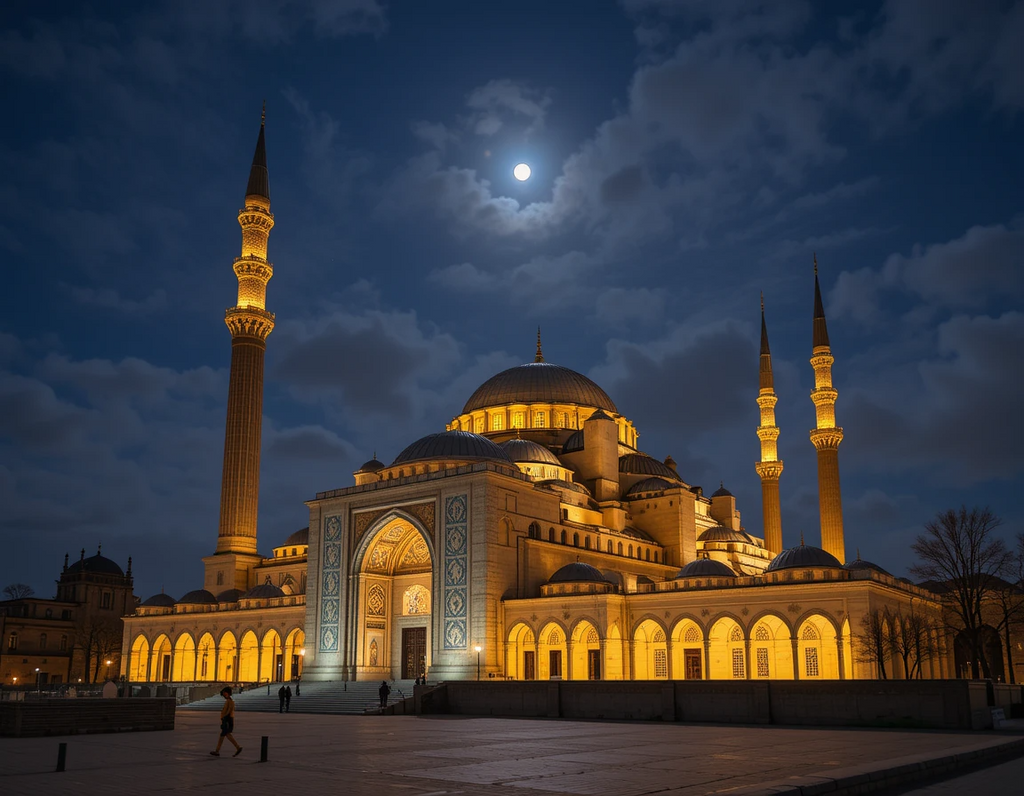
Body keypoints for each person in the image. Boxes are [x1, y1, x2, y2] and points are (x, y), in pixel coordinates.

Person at [210, 687, 242, 757]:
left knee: (224, 735)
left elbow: (228, 711)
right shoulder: (229, 701)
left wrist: (224, 719)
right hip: (227, 719)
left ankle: (218, 751)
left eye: (225, 693)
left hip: (227, 720)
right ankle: (237, 747)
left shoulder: (230, 701)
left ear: (227, 693)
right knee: (225, 735)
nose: (224, 695)